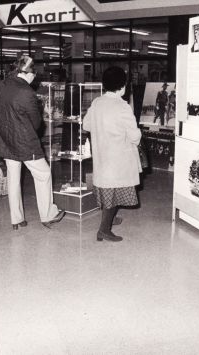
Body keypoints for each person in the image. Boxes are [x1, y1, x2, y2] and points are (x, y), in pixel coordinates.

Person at [0, 55, 65, 230]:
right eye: (34, 76)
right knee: (43, 174)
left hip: (5, 139)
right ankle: (48, 214)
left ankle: (17, 219)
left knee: (13, 178)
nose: (34, 79)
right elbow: (36, 122)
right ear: (29, 74)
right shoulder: (27, 92)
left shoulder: (3, 84)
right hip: (24, 141)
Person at [83, 66, 142, 242]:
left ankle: (109, 219)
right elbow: (134, 135)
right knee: (114, 192)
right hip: (118, 159)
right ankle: (103, 230)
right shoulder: (122, 107)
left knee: (108, 191)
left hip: (102, 157)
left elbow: (86, 125)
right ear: (123, 86)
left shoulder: (97, 102)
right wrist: (138, 136)